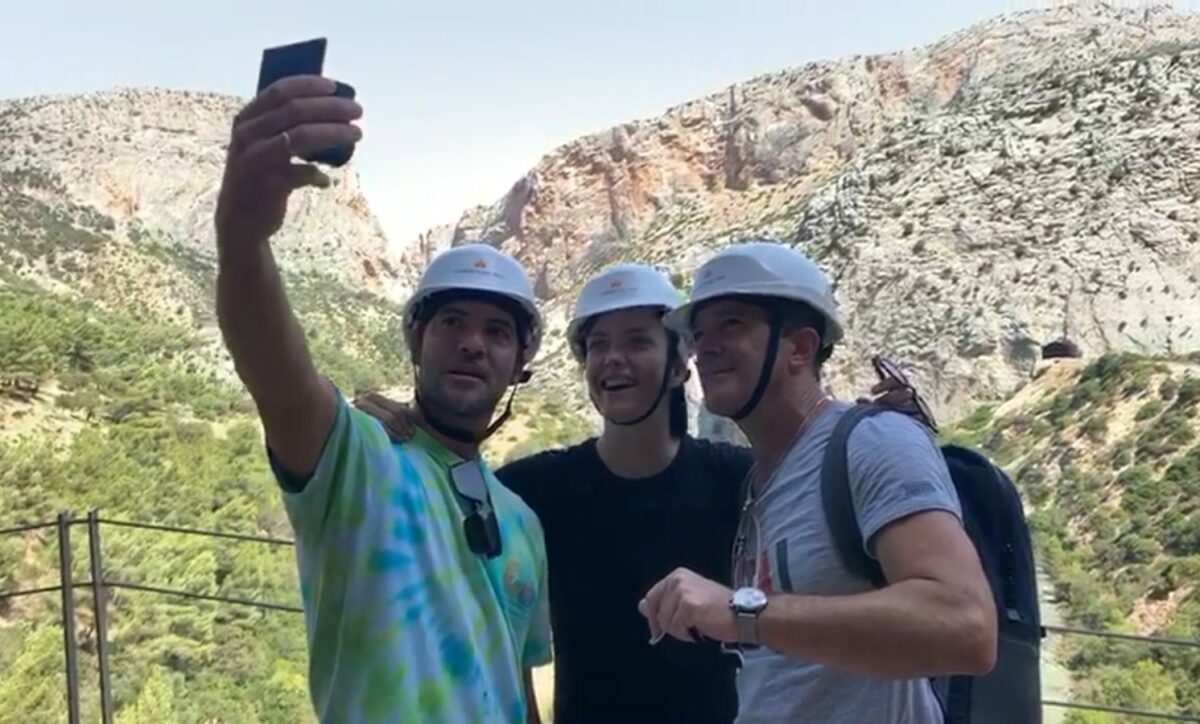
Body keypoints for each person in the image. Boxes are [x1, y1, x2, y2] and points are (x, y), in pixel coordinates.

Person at [356, 262, 928, 723]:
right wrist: (399, 428)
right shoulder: (530, 492)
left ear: (682, 366)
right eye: (597, 344)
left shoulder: (743, 481)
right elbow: (484, 615)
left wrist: (879, 432)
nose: (613, 359)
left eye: (637, 341)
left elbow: (821, 491)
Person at [214, 74, 551, 723]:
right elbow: (276, 376)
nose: (474, 344)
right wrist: (242, 238)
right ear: (418, 341)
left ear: (519, 364)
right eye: (452, 322)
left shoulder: (523, 523)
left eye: (497, 331)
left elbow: (517, 679)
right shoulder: (357, 461)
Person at [639, 240, 998, 724]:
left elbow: (967, 627)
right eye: (700, 333)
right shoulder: (758, 483)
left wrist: (739, 612)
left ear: (801, 347)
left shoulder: (872, 442)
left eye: (732, 324)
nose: (706, 347)